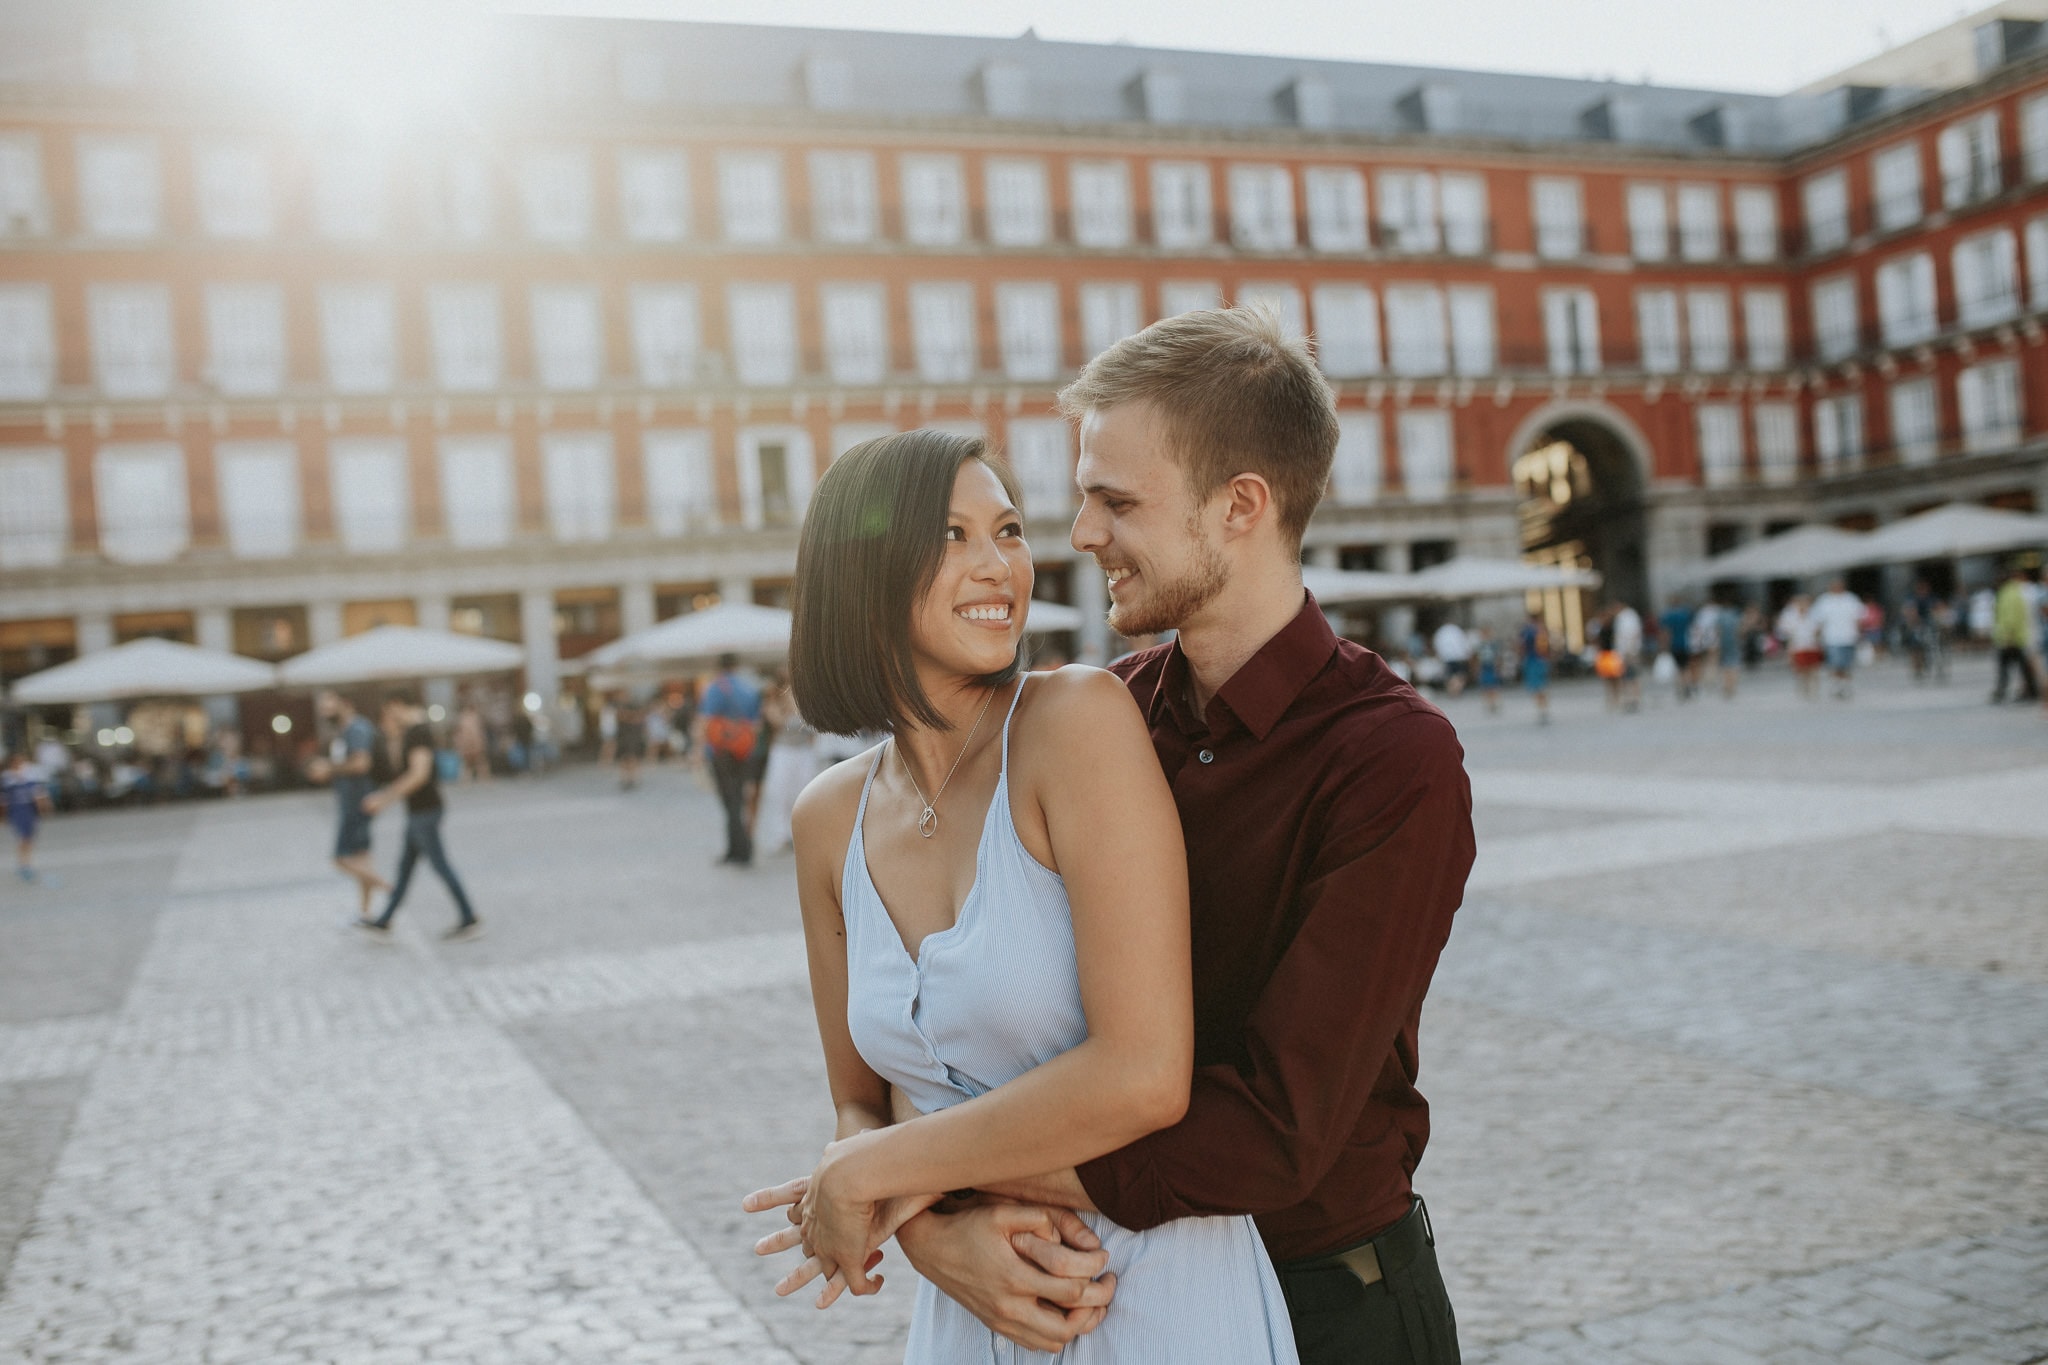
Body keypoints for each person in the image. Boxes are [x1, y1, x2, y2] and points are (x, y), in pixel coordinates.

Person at [749, 309, 1473, 1364]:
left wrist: (902, 1184)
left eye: (1114, 501)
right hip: (1058, 1289)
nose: (1077, 535)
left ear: (1239, 508)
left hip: (1324, 1303)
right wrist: (936, 1233)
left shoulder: (1390, 761)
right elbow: (924, 1075)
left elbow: (1267, 1134)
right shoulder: (1098, 719)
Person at [356, 692, 482, 942]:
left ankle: (469, 918)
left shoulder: (417, 732)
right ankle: (385, 920)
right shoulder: (411, 733)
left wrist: (383, 799)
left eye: (387, 713)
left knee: (440, 866)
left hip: (425, 812)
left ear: (396, 705)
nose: (387, 719)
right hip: (418, 812)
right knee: (405, 869)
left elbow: (419, 774)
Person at [312, 692, 388, 919]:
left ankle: (388, 888)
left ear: (345, 703)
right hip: (353, 800)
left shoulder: (356, 729)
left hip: (358, 801)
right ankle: (365, 913)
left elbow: (361, 764)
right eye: (322, 707)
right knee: (361, 857)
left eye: (329, 705)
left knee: (340, 858)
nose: (325, 711)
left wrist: (329, 768)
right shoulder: (345, 732)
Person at [697, 653, 762, 866]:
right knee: (739, 799)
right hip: (744, 750)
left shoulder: (715, 687)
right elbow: (756, 723)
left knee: (730, 801)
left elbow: (707, 721)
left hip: (721, 751)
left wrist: (699, 751)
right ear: (736, 666)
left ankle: (739, 851)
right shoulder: (749, 687)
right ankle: (739, 848)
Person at [753, 673, 819, 857]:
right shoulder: (772, 704)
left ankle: (802, 835)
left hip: (803, 752)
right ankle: (781, 834)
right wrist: (789, 707)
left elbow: (812, 726)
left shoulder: (804, 704)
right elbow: (780, 724)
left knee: (804, 791)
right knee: (780, 792)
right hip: (783, 752)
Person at [1990, 565, 2042, 703]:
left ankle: (2002, 692)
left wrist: (2008, 636)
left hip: (2010, 637)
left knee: (2006, 667)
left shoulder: (2007, 594)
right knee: (2022, 666)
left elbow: (2009, 617)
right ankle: (2032, 691)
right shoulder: (2016, 591)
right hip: (2018, 636)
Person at [1811, 578, 1864, 701]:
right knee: (1835, 663)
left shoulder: (1851, 599)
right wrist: (1817, 634)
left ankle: (1845, 685)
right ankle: (1836, 686)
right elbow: (1818, 619)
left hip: (1849, 636)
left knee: (1846, 664)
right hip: (1832, 637)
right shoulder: (1824, 600)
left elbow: (1858, 617)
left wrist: (1859, 632)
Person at [4, 750, 53, 882]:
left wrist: (43, 808)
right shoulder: (8, 780)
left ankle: (24, 862)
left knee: (28, 839)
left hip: (29, 812)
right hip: (17, 812)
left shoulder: (30, 777)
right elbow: (4, 800)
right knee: (24, 838)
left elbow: (39, 796)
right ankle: (24, 864)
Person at [1777, 594, 1823, 700]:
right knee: (1801, 669)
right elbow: (1784, 631)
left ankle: (1813, 689)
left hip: (1812, 646)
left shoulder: (1814, 615)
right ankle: (1803, 687)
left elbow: (1819, 629)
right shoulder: (1790, 616)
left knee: (1813, 669)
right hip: (1798, 646)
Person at [1519, 609, 1553, 725]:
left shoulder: (1528, 631)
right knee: (1542, 684)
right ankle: (1544, 708)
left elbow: (1522, 645)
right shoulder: (1542, 630)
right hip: (1542, 660)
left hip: (1532, 660)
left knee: (1536, 686)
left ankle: (1541, 709)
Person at [1430, 618, 1470, 697]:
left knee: (1451, 676)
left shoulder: (1441, 631)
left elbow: (1437, 644)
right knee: (1459, 675)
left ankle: (1453, 690)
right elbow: (1463, 642)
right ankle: (1455, 690)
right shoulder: (1456, 630)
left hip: (1447, 657)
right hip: (1458, 656)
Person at [613, 696, 647, 791]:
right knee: (626, 758)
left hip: (631, 738)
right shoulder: (624, 716)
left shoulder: (634, 718)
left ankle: (632, 777)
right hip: (626, 738)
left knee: (632, 758)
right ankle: (628, 777)